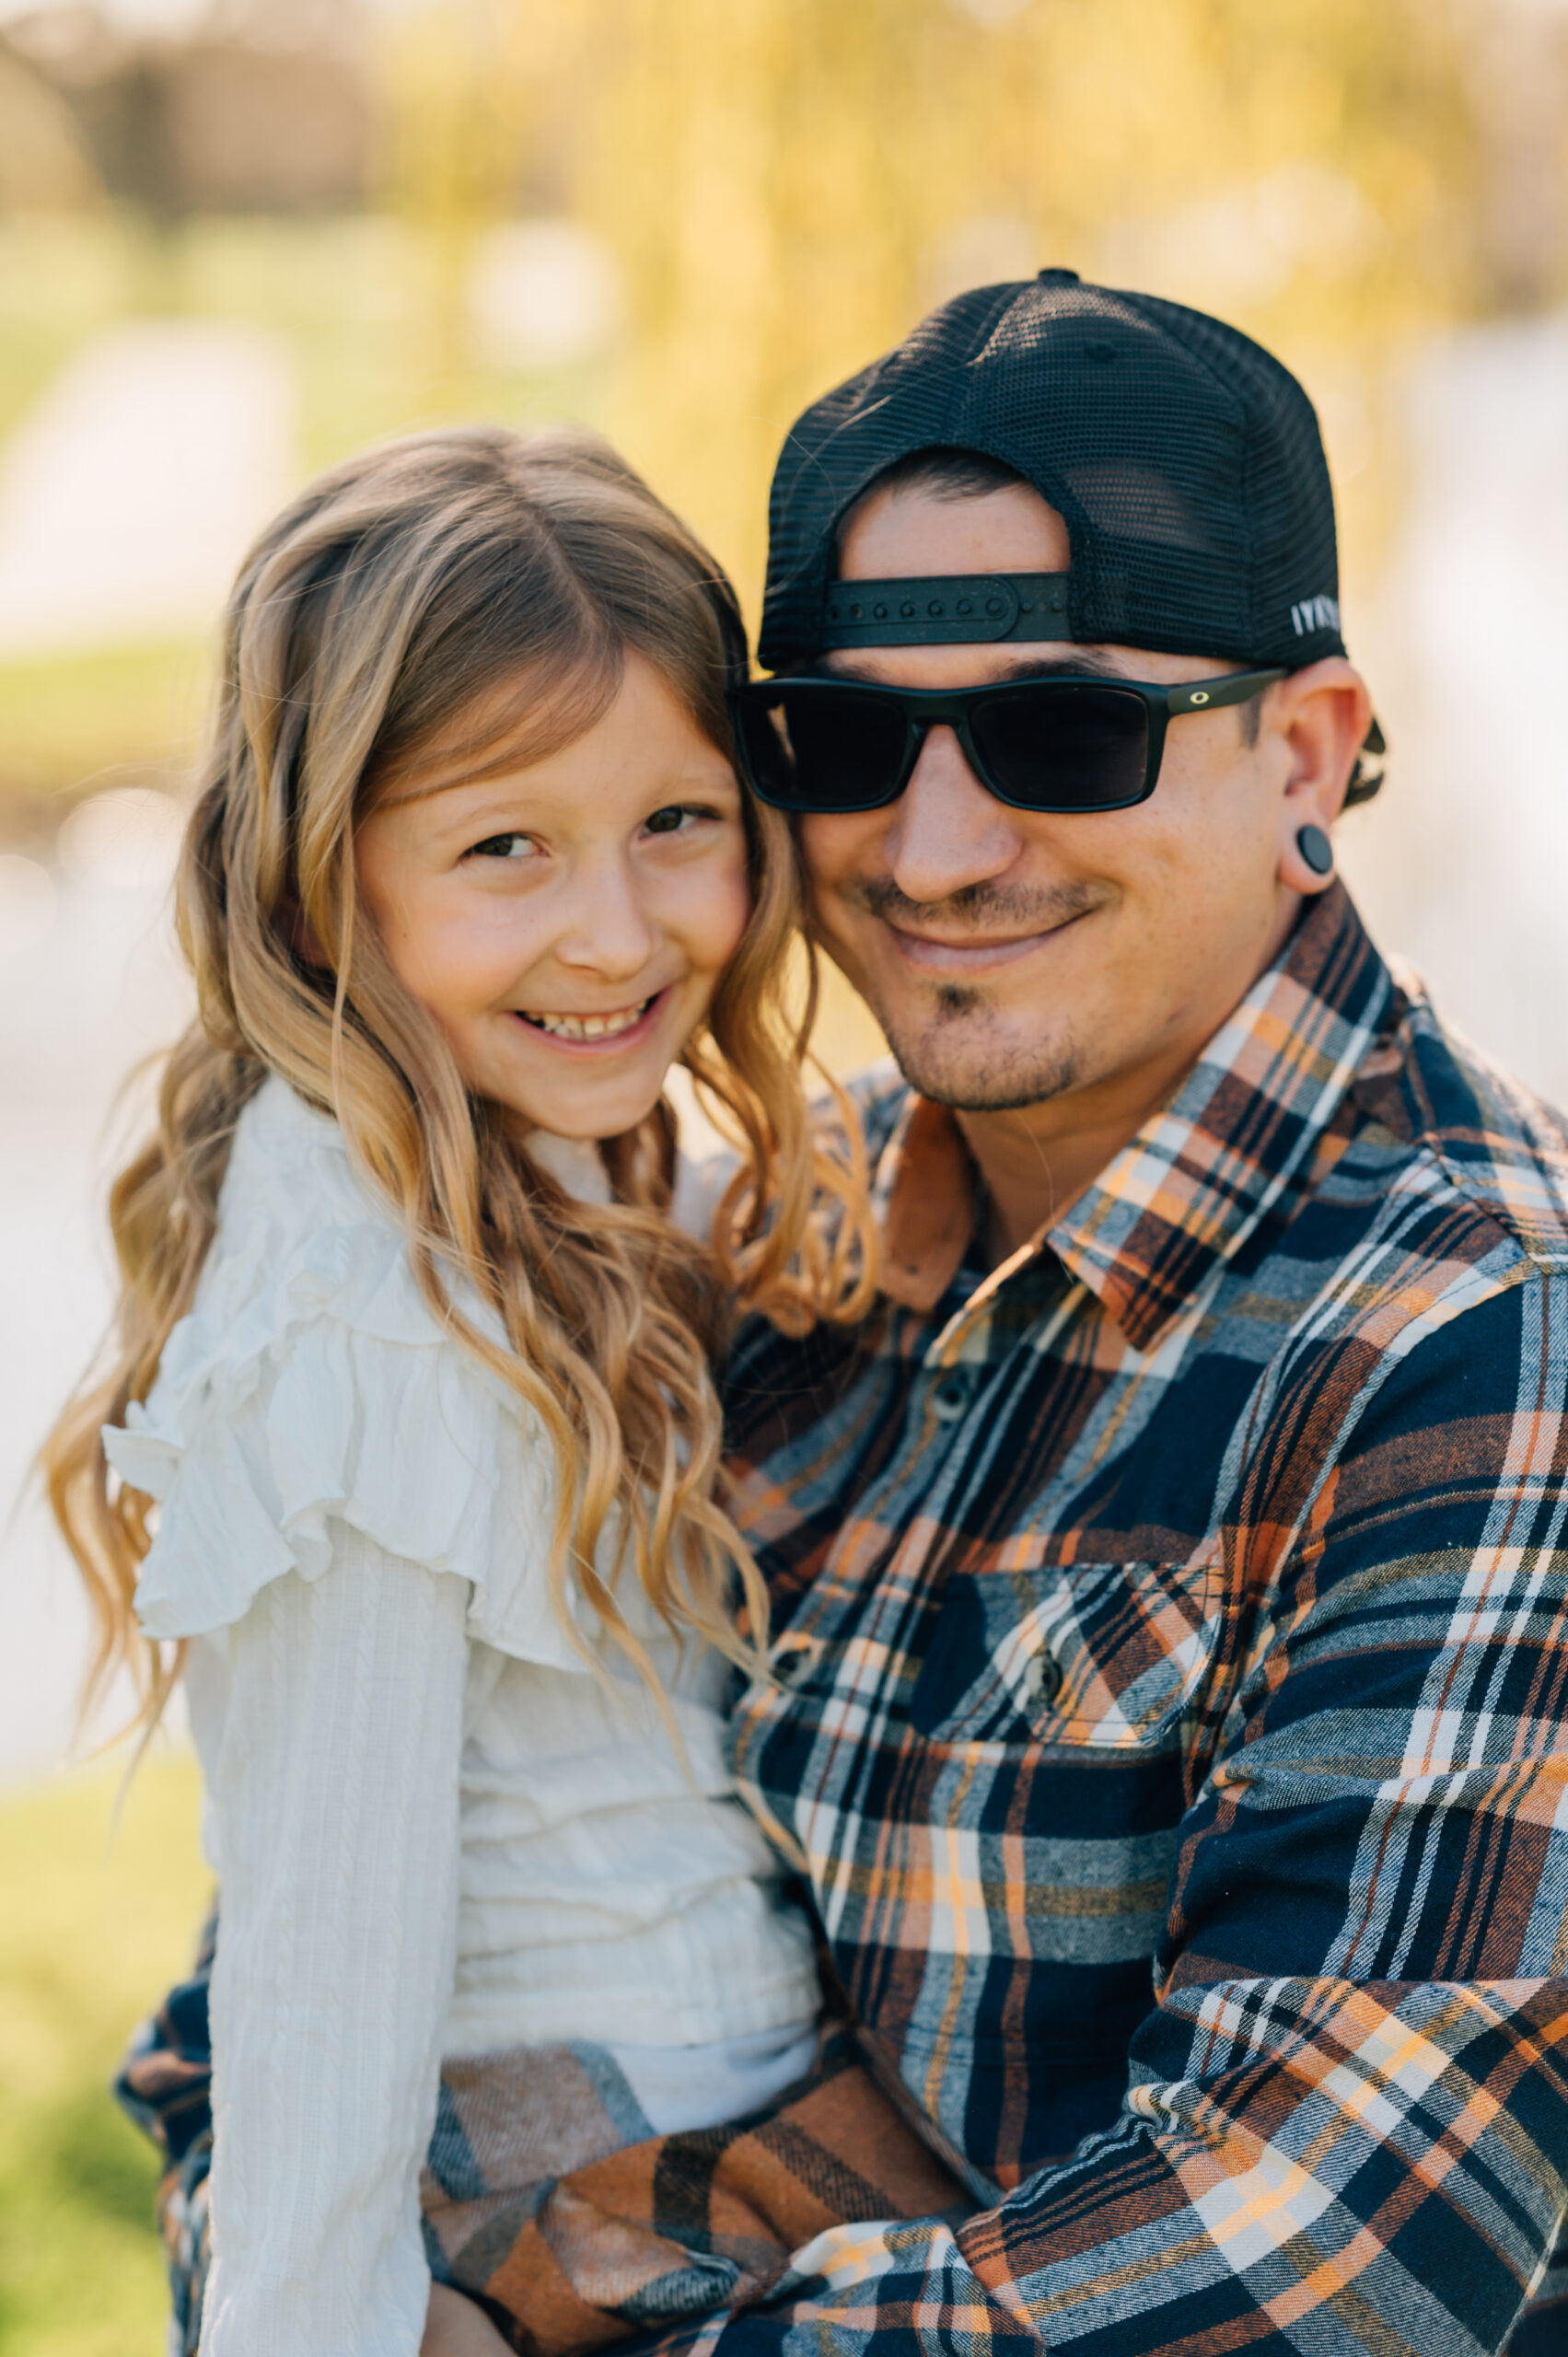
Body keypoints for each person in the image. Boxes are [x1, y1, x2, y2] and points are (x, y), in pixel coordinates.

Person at [698, 269, 1568, 2355]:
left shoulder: (1481, 1344)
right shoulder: (750, 1259)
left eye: (1063, 730)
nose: (933, 841)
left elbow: (1317, 2269)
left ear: (1310, 749)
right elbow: (332, 1927)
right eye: (842, 735)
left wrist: (530, 2290)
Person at [42, 424, 963, 2357]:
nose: (616, 932)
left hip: (734, 2111)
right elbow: (321, 1972)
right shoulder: (365, 1329)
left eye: (677, 822)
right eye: (503, 846)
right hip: (595, 2183)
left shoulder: (522, 1164)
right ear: (320, 886)